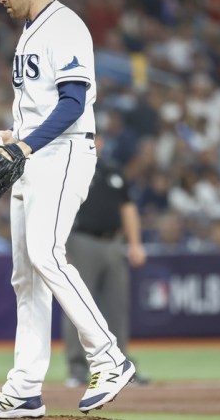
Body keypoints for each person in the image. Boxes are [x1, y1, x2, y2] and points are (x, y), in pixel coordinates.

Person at [0, 0, 137, 418]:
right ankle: (24, 390)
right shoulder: (28, 33)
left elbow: (73, 103)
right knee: (26, 276)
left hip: (64, 153)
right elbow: (41, 109)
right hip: (36, 154)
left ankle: (108, 357)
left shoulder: (65, 26)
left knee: (46, 253)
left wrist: (24, 145)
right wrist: (13, 135)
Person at [62, 137, 149, 388]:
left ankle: (118, 365)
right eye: (90, 137)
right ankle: (77, 368)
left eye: (96, 138)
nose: (95, 143)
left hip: (114, 243)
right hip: (81, 242)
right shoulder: (69, 167)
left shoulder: (112, 171)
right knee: (77, 305)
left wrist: (134, 244)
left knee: (116, 307)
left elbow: (128, 208)